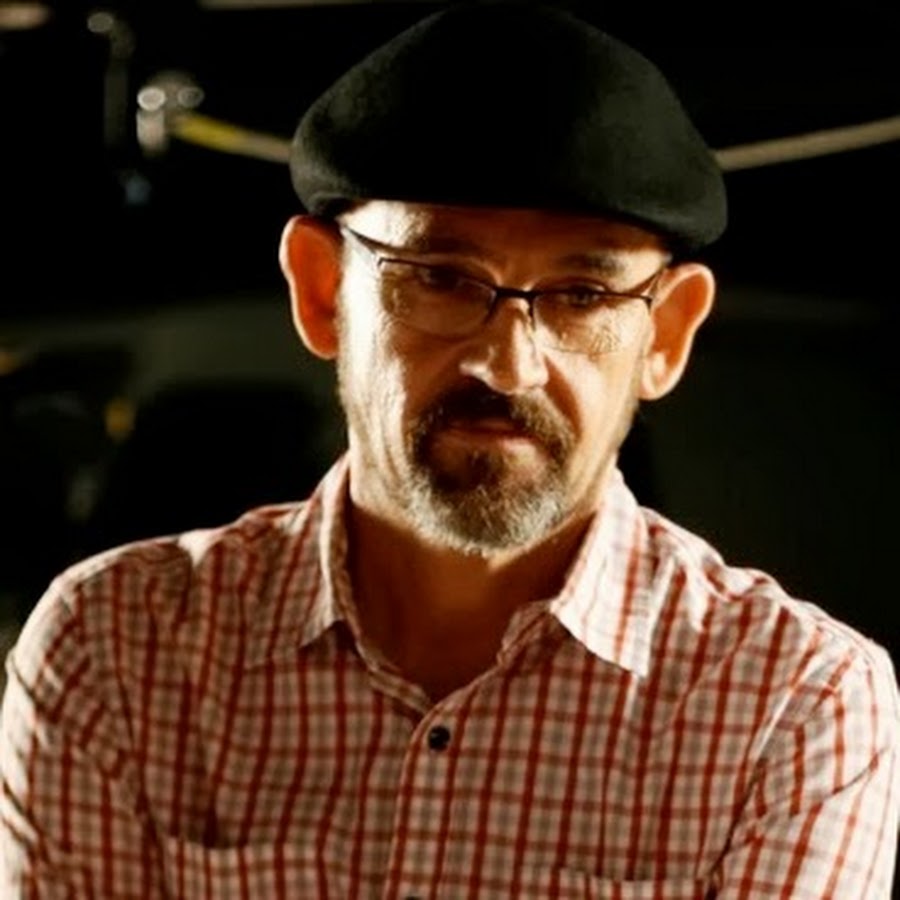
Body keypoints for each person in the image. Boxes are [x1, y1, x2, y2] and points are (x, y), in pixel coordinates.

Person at [2, 2, 898, 896]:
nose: (508, 364)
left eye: (582, 296)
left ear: (665, 334)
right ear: (321, 292)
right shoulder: (117, 648)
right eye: (439, 277)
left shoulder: (793, 704)